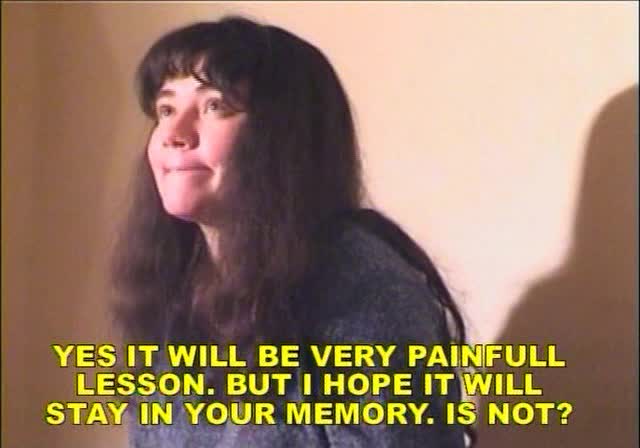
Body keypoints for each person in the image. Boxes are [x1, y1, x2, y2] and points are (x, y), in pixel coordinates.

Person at [111, 15, 475, 448]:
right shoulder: (175, 290)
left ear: (283, 136)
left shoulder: (364, 288)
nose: (173, 134)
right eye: (166, 110)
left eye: (214, 106)